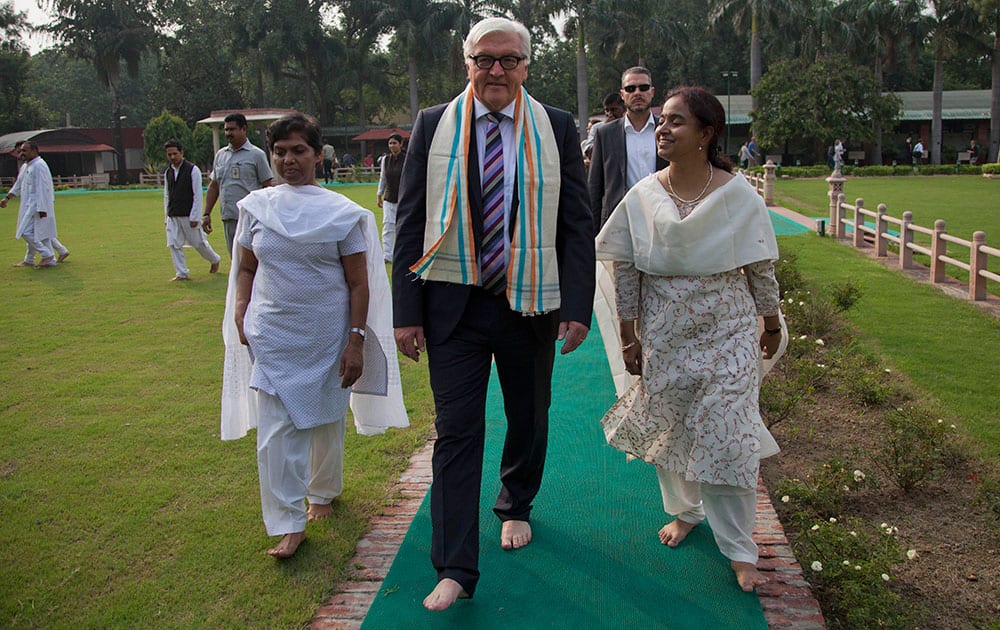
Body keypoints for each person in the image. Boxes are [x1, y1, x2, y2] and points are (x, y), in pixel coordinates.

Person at [392, 17, 595, 611]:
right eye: (485, 59)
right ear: (468, 65)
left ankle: (515, 503)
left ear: (526, 65)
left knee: (528, 416)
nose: (497, 70)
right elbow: (410, 221)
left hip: (527, 302)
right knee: (456, 432)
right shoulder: (434, 125)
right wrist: (407, 312)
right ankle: (455, 566)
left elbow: (575, 222)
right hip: (452, 304)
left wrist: (575, 306)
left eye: (508, 59)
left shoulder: (555, 126)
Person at [594, 86, 784, 593]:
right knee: (673, 431)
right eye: (663, 119)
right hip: (666, 332)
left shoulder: (737, 194)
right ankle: (684, 511)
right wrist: (629, 336)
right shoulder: (643, 196)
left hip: (730, 331)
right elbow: (627, 268)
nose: (663, 128)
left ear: (706, 133)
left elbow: (759, 266)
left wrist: (770, 323)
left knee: (729, 433)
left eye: (677, 121)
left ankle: (741, 549)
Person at [220, 112, 407, 559]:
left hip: (327, 333)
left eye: (298, 150)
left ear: (318, 155)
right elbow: (246, 267)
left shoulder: (341, 214)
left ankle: (322, 491)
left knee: (326, 416)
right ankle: (288, 521)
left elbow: (359, 282)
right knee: (275, 431)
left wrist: (356, 338)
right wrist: (242, 308)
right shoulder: (255, 208)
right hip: (272, 333)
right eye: (280, 151)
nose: (288, 160)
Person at [588, 67, 667, 234]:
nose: (637, 93)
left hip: (662, 219)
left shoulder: (666, 130)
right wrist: (592, 236)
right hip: (618, 224)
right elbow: (595, 187)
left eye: (643, 87)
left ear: (652, 92)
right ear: (623, 95)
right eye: (631, 88)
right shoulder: (605, 134)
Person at [203, 113, 274, 256]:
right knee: (235, 259)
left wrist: (269, 217)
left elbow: (267, 186)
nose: (228, 133)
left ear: (244, 129)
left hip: (251, 217)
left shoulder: (256, 155)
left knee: (252, 260)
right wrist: (206, 213)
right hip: (229, 217)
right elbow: (214, 186)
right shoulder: (221, 155)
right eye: (226, 130)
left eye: (232, 129)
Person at [162, 140, 221, 281]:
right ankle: (181, 273)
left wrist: (195, 217)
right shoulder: (168, 172)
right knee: (173, 243)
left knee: (198, 243)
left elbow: (197, 194)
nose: (172, 157)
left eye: (175, 154)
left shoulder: (192, 170)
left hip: (188, 214)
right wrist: (166, 216)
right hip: (173, 214)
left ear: (181, 152)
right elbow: (166, 195)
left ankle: (214, 259)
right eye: (169, 154)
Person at [3, 141, 66, 268]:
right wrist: (7, 198)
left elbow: (44, 189)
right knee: (41, 234)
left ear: (34, 151)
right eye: (20, 151)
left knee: (25, 232)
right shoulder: (26, 166)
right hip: (27, 206)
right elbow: (18, 185)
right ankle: (33, 259)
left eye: (24, 151)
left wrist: (42, 209)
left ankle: (47, 255)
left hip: (37, 206)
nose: (21, 153)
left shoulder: (39, 166)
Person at [376, 133, 405, 263]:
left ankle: (402, 254)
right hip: (389, 198)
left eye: (394, 143)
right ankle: (387, 255)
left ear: (401, 144)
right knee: (388, 226)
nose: (392, 146)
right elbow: (383, 178)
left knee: (402, 227)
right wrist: (379, 195)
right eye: (390, 143)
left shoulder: (407, 158)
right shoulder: (385, 160)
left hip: (404, 198)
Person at [581, 92, 626, 156]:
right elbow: (590, 153)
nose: (610, 114)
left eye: (614, 110)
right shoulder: (597, 128)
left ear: (624, 109)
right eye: (607, 110)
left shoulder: (629, 127)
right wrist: (606, 130)